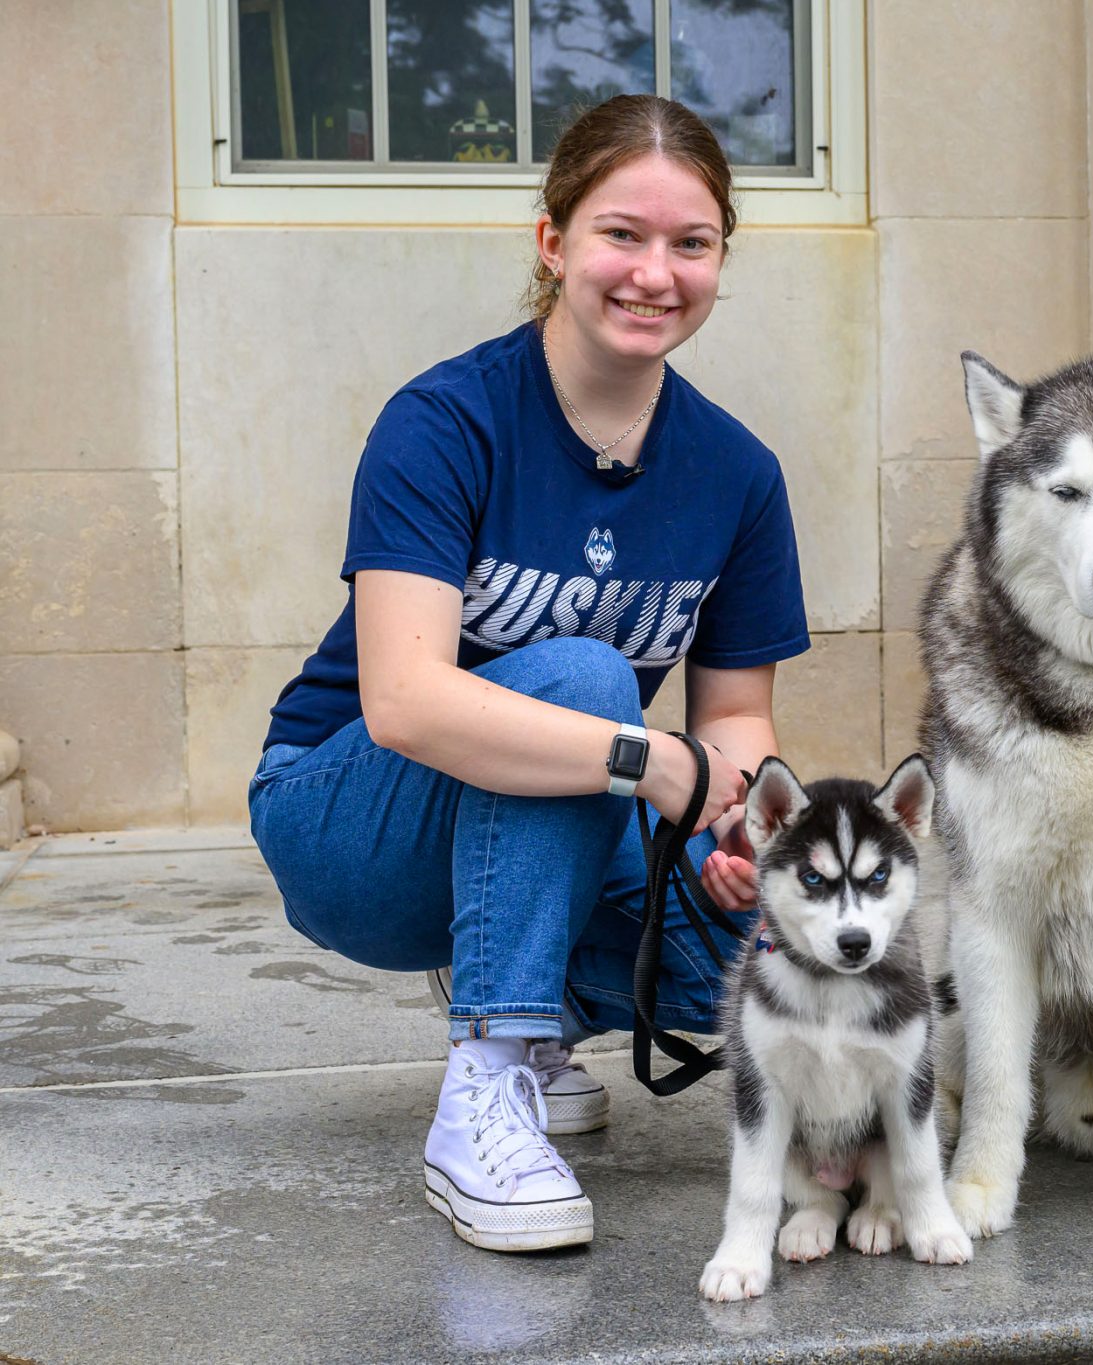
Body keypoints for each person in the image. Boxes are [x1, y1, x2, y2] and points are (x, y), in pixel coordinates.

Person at [248, 95, 809, 1251]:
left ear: (718, 261)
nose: (655, 273)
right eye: (621, 234)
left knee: (759, 958)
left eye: (690, 244)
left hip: (543, 807)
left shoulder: (738, 475)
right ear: (552, 242)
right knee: (587, 682)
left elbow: (738, 716)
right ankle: (484, 1090)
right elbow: (402, 701)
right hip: (344, 818)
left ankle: (534, 1003)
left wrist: (741, 832)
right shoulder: (445, 421)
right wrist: (653, 762)